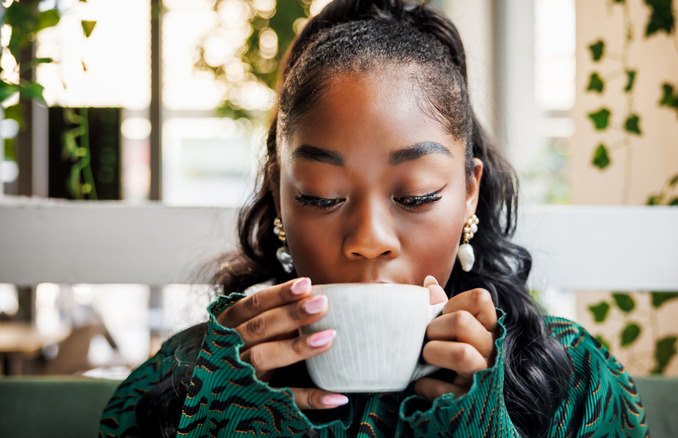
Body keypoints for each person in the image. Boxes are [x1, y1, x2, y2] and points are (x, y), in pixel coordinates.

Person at [99, 0, 648, 436]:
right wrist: (223, 420)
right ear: (280, 198)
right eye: (320, 195)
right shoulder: (189, 380)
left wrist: (479, 425)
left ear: (469, 194)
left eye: (414, 196)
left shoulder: (572, 380)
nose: (368, 240)